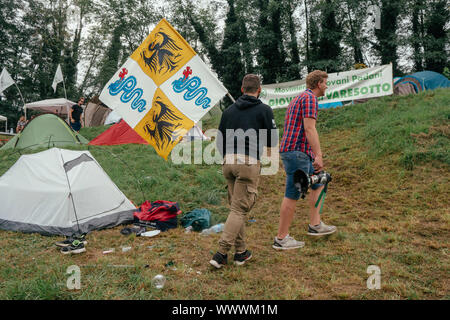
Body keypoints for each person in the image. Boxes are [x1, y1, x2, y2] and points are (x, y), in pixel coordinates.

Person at [209, 74, 277, 269]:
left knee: (235, 209)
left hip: (228, 162)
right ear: (259, 90)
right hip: (248, 162)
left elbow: (219, 140)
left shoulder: (228, 111)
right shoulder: (264, 109)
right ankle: (221, 253)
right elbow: (272, 141)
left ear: (241, 89)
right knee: (239, 210)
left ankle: (241, 253)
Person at [273, 70, 336, 251]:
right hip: (297, 152)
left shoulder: (299, 98)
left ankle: (315, 225)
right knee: (292, 193)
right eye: (325, 83)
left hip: (299, 151)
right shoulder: (309, 99)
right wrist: (319, 155)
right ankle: (281, 238)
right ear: (318, 84)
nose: (326, 86)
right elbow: (309, 128)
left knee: (320, 181)